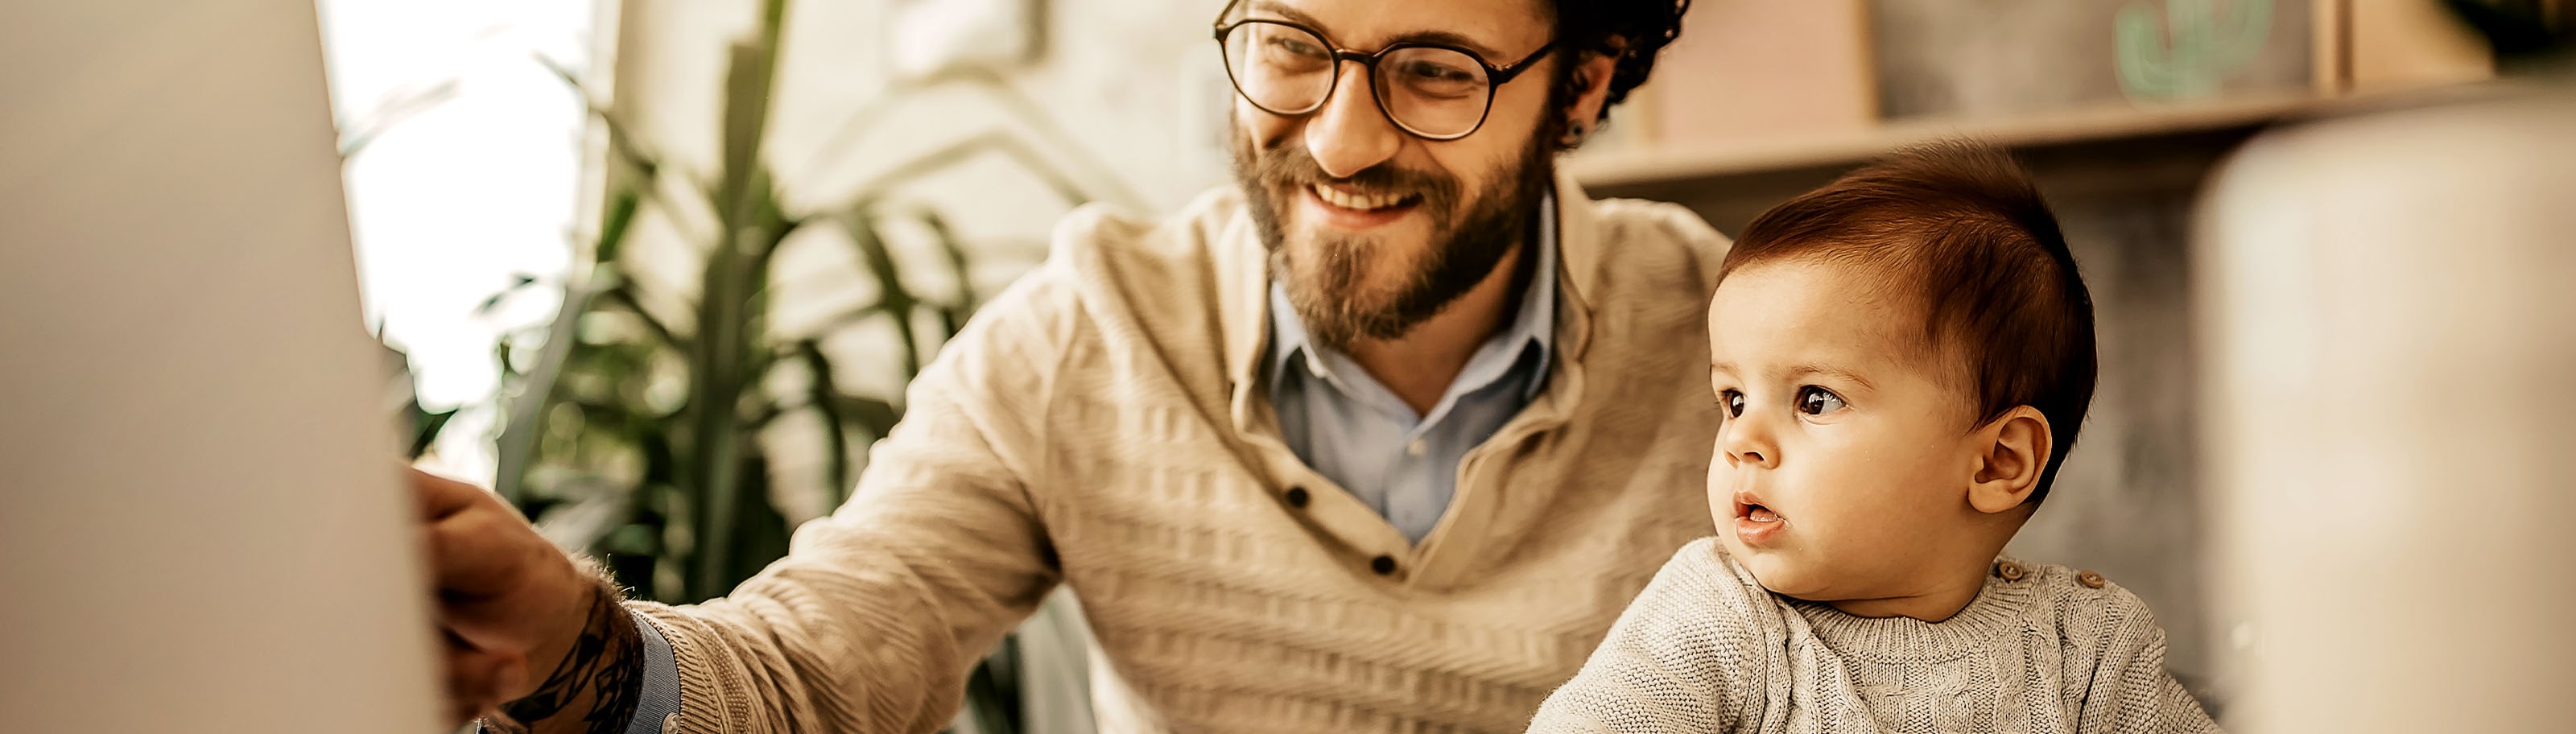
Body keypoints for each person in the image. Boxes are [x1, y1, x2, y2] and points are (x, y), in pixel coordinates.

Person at [420, 0, 1728, 732]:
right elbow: (812, 676)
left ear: (1580, 85)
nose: (1339, 140)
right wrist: (563, 636)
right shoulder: (1084, 335)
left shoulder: (1733, 350)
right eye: (1290, 46)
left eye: (1434, 73)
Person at [1524, 142, 2220, 733]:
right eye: (1733, 400)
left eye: (1814, 399)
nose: (1741, 441)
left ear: (1997, 462)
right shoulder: (1716, 614)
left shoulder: (2088, 649)